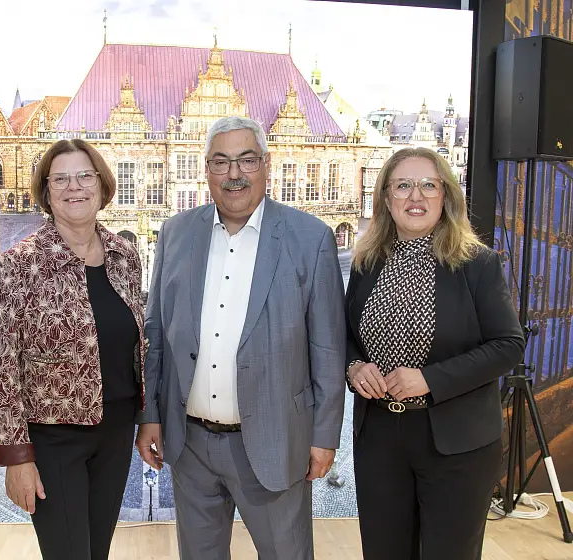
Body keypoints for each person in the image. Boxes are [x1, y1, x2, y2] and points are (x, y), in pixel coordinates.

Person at [135, 115, 347, 559]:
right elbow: (154, 333)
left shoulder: (311, 239)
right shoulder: (175, 233)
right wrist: (149, 415)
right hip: (190, 445)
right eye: (221, 161)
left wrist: (324, 437)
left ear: (267, 164)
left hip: (275, 442)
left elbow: (327, 349)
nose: (234, 174)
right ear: (206, 169)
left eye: (247, 160)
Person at [344, 147, 525, 560]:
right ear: (386, 199)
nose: (416, 197)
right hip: (380, 441)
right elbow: (345, 335)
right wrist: (353, 367)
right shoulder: (366, 263)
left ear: (446, 196)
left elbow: (508, 345)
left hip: (457, 443)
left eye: (429, 185)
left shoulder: (478, 263)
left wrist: (429, 379)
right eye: (403, 185)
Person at [0, 138, 146, 560]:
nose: (75, 187)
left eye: (84, 176)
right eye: (61, 179)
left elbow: (136, 346)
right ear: (47, 192)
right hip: (54, 438)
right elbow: (0, 366)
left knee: (97, 550)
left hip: (115, 432)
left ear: (102, 186)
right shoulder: (21, 263)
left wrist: (148, 419)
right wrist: (16, 456)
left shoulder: (125, 257)